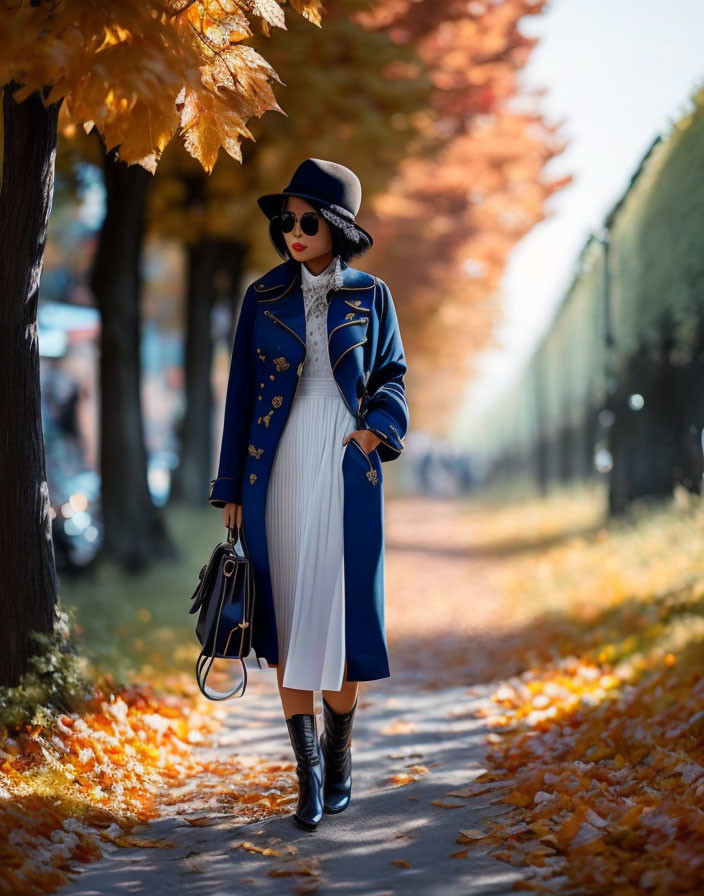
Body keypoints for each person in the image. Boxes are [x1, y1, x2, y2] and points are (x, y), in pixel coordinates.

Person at [209, 158, 409, 830]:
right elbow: (239, 395)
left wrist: (373, 434)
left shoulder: (373, 296)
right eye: (285, 219)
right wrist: (230, 484)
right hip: (277, 466)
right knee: (289, 618)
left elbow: (393, 377)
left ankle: (341, 752)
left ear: (338, 227)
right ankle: (308, 779)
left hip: (347, 465)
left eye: (307, 219)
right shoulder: (261, 296)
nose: (292, 230)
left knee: (342, 615)